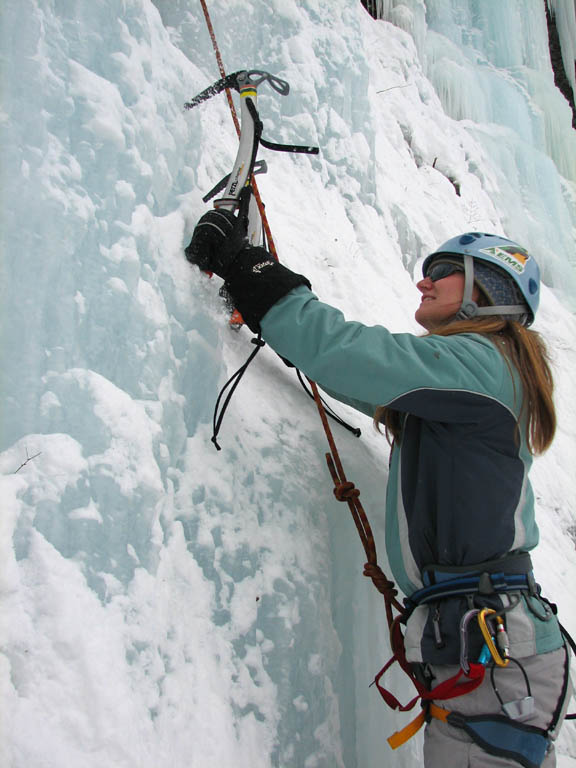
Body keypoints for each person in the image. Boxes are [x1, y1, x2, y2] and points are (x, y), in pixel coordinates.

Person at [186, 210, 573, 767]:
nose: (424, 280)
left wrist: (252, 268)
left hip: (492, 658)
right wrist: (264, 299)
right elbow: (356, 374)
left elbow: (353, 356)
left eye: (444, 270)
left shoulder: (485, 365)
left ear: (488, 290)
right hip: (493, 655)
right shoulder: (476, 382)